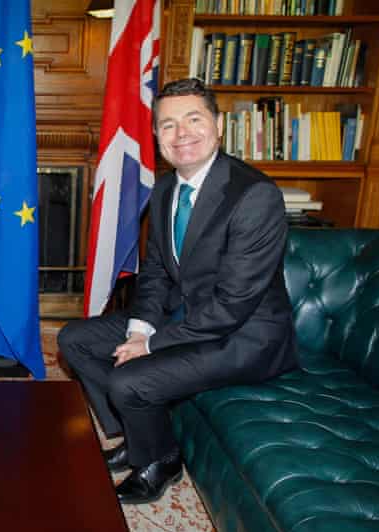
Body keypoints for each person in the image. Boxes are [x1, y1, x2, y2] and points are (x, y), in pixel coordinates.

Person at [58, 78, 297, 504]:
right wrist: (138, 328)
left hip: (244, 336)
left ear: (218, 125)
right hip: (185, 316)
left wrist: (150, 345)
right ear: (156, 136)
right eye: (167, 125)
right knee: (74, 339)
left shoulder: (255, 196)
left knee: (130, 380)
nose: (181, 133)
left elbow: (231, 307)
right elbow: (155, 273)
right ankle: (138, 438)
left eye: (193, 119)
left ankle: (162, 460)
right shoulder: (167, 187)